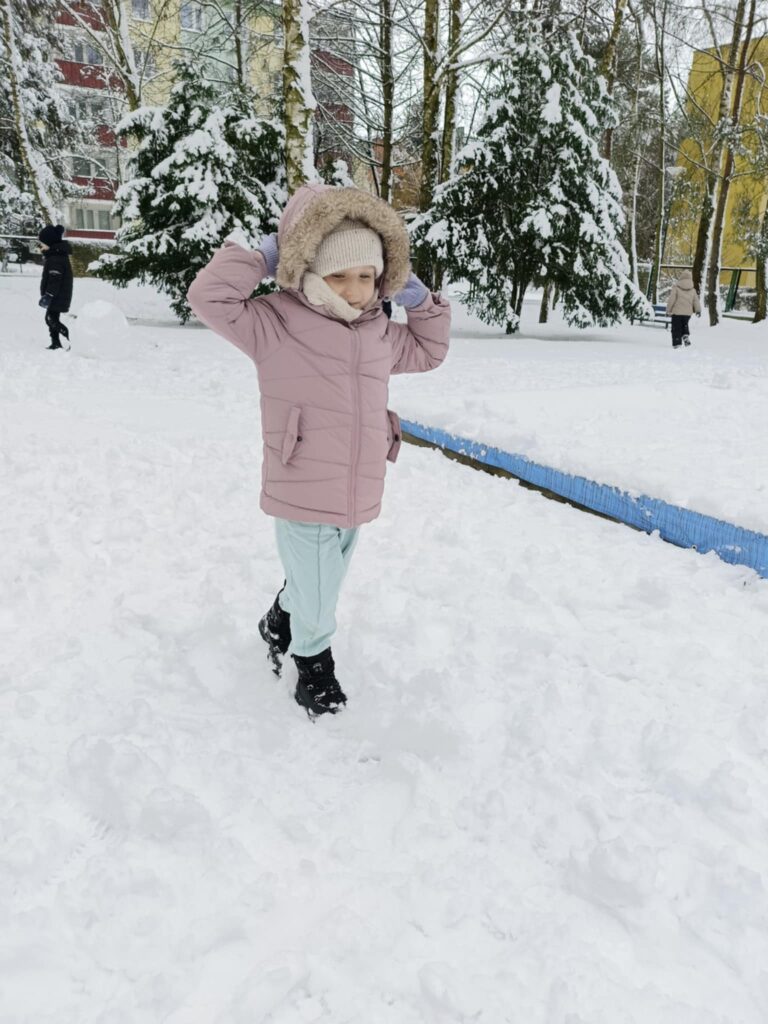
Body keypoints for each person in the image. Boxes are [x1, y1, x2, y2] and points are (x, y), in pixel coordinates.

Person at [187, 184, 451, 718]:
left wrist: (421, 302)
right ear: (307, 268)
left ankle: (280, 619)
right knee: (321, 591)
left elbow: (429, 350)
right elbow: (208, 298)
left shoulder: (380, 330)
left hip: (359, 481)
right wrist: (264, 255)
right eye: (339, 275)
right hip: (301, 480)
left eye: (367, 276)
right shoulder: (275, 321)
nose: (355, 290)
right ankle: (313, 666)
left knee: (322, 579)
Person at [38, 224, 73, 350]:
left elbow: (55, 279)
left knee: (50, 319)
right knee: (51, 319)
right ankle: (56, 343)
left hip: (57, 295)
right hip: (57, 295)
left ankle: (73, 338)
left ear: (49, 242)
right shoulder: (55, 255)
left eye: (42, 243)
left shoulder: (56, 258)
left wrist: (49, 295)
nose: (40, 246)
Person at [665, 270, 701, 348]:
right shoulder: (693, 290)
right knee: (684, 325)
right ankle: (685, 335)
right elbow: (696, 301)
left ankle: (677, 343)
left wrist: (668, 310)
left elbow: (672, 300)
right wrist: (698, 310)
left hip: (677, 312)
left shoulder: (676, 288)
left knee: (676, 328)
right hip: (687, 313)